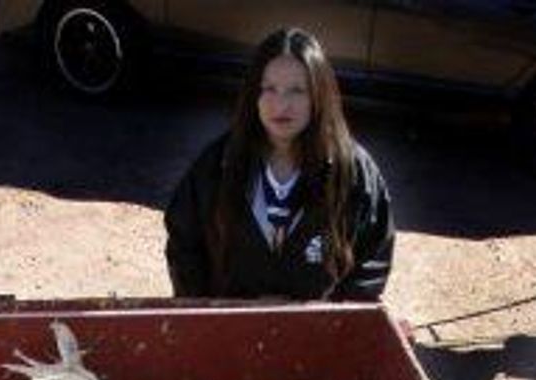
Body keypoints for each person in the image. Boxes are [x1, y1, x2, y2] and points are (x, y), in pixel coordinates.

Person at [164, 27, 394, 302]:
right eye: (269, 88)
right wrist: (206, 313)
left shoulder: (352, 171)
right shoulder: (220, 163)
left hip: (316, 336)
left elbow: (373, 259)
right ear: (253, 95)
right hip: (233, 332)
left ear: (318, 97)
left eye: (297, 91)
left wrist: (338, 323)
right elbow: (184, 244)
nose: (281, 105)